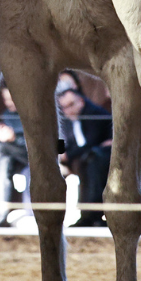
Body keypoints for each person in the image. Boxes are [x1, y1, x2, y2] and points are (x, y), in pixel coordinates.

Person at [57, 87, 112, 227]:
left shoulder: (94, 113)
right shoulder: (65, 117)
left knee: (89, 164)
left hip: (100, 156)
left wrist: (67, 155)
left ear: (81, 101)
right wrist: (61, 152)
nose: (68, 110)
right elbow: (60, 138)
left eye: (71, 105)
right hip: (77, 157)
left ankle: (90, 215)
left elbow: (92, 142)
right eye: (64, 107)